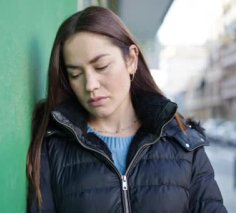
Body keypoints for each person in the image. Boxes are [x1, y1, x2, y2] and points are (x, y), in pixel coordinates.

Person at [26, 6, 227, 213]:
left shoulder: (182, 140)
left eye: (101, 66)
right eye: (76, 74)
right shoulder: (53, 146)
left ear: (131, 60)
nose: (90, 85)